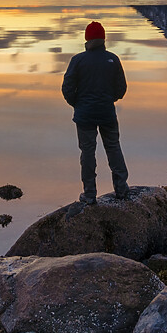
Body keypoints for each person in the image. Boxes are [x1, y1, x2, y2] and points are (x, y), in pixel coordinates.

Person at [61, 20, 129, 204]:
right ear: (103, 39)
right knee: (114, 148)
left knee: (88, 154)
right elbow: (121, 88)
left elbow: (67, 88)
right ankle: (121, 190)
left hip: (85, 116)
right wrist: (109, 99)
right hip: (107, 112)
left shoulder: (78, 60)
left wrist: (77, 104)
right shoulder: (112, 59)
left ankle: (89, 195)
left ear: (87, 39)